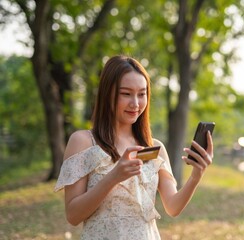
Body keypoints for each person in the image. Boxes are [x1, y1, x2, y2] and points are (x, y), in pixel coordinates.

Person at [54, 55, 213, 239]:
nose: (135, 104)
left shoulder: (154, 147)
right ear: (107, 94)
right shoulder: (83, 141)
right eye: (126, 93)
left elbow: (173, 207)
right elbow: (73, 215)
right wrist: (114, 177)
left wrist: (196, 175)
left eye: (142, 94)